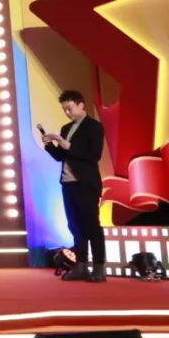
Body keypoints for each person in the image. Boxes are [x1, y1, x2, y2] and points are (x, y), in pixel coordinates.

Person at [41, 89, 107, 282]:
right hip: (68, 183)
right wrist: (50, 145)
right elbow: (61, 157)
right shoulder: (66, 128)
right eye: (64, 109)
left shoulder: (94, 127)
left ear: (81, 105)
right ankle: (81, 265)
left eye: (69, 108)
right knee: (74, 225)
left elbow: (93, 155)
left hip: (86, 183)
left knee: (91, 225)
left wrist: (66, 144)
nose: (67, 112)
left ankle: (99, 266)